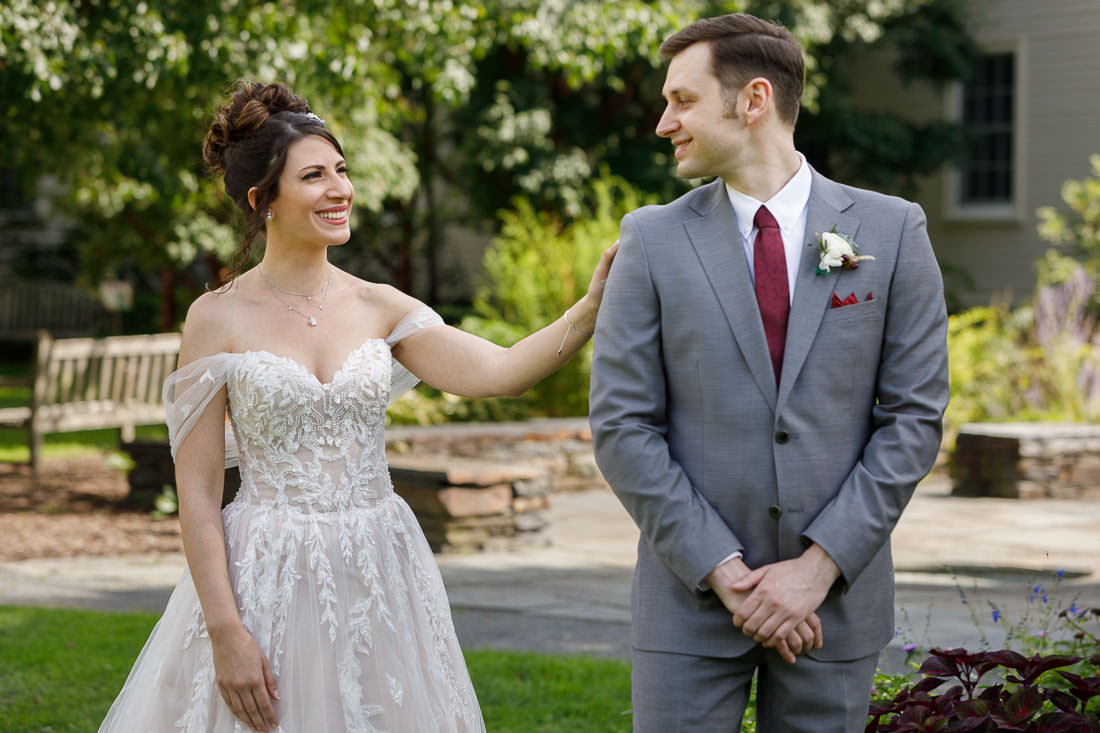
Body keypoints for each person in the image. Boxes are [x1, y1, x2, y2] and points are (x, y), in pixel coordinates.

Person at [99, 80, 616, 733]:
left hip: (378, 568)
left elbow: (501, 370)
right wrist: (225, 628)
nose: (340, 189)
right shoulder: (215, 317)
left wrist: (591, 307)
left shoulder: (382, 306)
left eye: (341, 170)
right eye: (314, 175)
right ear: (264, 200)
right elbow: (198, 489)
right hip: (265, 574)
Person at [589, 13, 949, 733]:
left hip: (835, 606)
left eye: (682, 100)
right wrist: (729, 573)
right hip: (688, 602)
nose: (665, 123)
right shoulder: (650, 239)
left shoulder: (891, 230)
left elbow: (912, 420)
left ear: (754, 100)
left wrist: (815, 570)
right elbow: (622, 427)